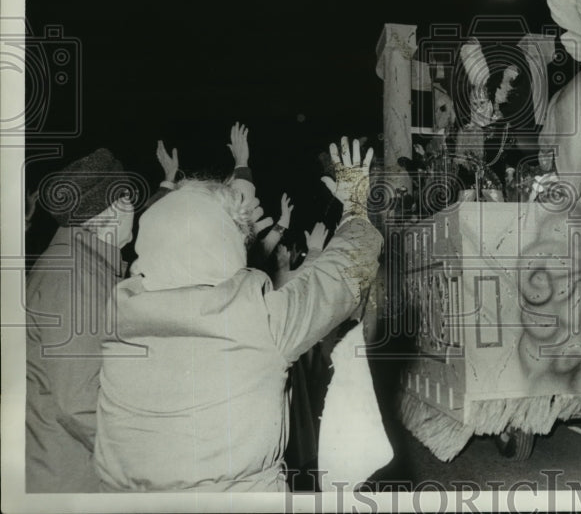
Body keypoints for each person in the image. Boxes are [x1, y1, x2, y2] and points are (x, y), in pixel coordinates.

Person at [94, 137, 382, 492]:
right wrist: (354, 206)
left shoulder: (117, 315)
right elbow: (345, 270)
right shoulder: (255, 317)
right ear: (223, 244)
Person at [25, 149, 136, 492]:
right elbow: (78, 402)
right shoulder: (76, 276)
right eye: (130, 198)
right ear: (117, 207)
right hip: (70, 476)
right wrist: (137, 458)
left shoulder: (84, 264)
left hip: (67, 465)